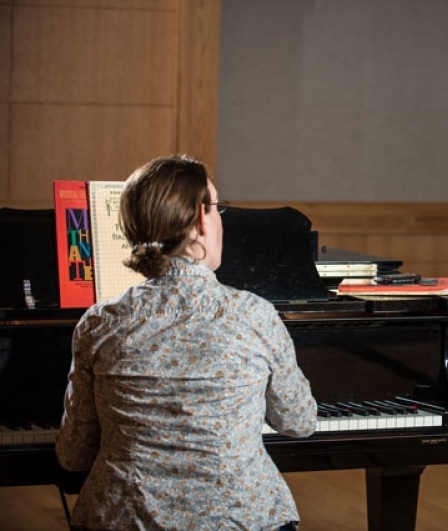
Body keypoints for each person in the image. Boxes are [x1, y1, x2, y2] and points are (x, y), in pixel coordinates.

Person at [56, 155, 317, 531]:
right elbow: (299, 422)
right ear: (199, 219)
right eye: (218, 207)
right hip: (241, 518)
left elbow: (73, 454)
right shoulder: (254, 315)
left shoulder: (100, 322)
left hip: (120, 519)